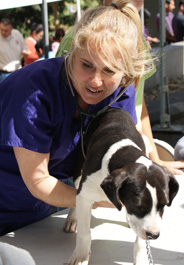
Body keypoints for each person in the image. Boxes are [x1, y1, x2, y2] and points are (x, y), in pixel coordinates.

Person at [0, 0, 153, 236]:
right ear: (72, 52)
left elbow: (124, 152)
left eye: (109, 70)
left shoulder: (121, 91)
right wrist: (94, 199)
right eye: (86, 65)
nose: (95, 81)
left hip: (37, 209)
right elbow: (38, 179)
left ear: (125, 74)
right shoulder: (32, 91)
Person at [56, 0, 184, 176]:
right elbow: (65, 110)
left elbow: (140, 104)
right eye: (88, 65)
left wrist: (155, 158)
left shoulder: (136, 37)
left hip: (129, 148)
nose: (96, 80)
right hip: (82, 163)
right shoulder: (85, 34)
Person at [0, 18, 29, 83]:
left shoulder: (17, 34)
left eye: (6, 30)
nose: (3, 32)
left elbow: (24, 49)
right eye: (1, 30)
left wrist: (25, 53)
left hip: (17, 72)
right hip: (3, 73)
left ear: (11, 29)